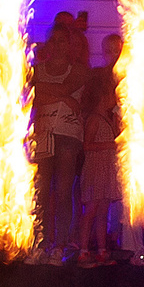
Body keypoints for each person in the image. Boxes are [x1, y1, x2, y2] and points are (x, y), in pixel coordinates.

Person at [32, 15, 87, 262]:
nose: (57, 45)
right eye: (53, 40)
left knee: (63, 190)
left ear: (69, 44)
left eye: (62, 40)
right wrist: (64, 98)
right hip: (42, 134)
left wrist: (51, 92)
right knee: (42, 191)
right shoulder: (37, 70)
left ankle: (61, 243)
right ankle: (41, 241)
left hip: (67, 135)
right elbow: (33, 94)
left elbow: (62, 88)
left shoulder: (78, 70)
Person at [75, 34, 124, 264]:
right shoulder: (94, 119)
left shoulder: (108, 119)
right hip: (95, 170)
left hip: (106, 169)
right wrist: (110, 144)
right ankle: (84, 249)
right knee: (92, 210)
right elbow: (87, 145)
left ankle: (102, 249)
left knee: (104, 210)